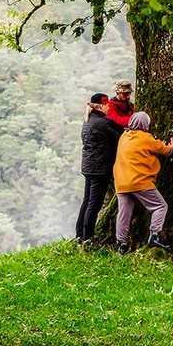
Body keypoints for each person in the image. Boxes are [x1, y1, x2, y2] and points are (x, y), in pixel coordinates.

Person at [113, 111, 173, 253]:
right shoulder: (147, 138)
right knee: (160, 206)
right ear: (145, 125)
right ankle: (154, 235)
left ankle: (122, 243)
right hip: (139, 181)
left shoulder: (123, 137)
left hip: (121, 182)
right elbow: (165, 151)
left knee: (124, 213)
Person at [75, 93, 124, 245]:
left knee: (87, 200)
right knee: (94, 203)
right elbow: (122, 134)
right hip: (100, 168)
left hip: (89, 167)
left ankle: (80, 234)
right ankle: (88, 237)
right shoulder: (103, 122)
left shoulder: (88, 121)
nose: (109, 107)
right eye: (107, 104)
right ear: (101, 106)